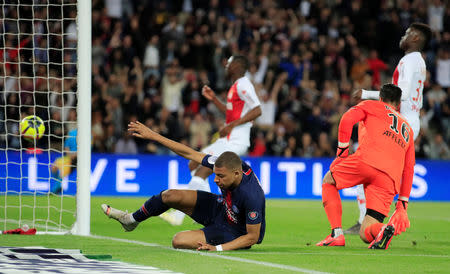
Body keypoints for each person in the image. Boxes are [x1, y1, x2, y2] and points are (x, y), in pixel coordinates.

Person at [102, 121, 266, 251]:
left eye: (220, 176)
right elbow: (190, 153)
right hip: (221, 209)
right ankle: (130, 220)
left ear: (236, 174)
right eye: (215, 174)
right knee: (170, 195)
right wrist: (154, 136)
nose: (215, 180)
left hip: (235, 232)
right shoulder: (227, 165)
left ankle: (212, 234)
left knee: (178, 240)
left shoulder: (252, 195)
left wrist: (218, 248)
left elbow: (252, 237)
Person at [347, 23, 432, 234]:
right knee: (380, 170)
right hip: (408, 122)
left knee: (365, 166)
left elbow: (400, 93)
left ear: (414, 39)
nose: (403, 36)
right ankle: (375, 220)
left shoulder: (408, 60)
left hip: (399, 121)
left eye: (407, 33)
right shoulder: (420, 62)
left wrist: (366, 94)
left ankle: (369, 222)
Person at [160, 55, 262, 225]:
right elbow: (231, 114)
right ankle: (208, 209)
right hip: (227, 139)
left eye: (229, 63)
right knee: (193, 164)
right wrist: (214, 99)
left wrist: (231, 126)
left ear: (237, 65)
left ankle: (178, 216)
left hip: (235, 141)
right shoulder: (236, 86)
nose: (226, 66)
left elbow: (257, 110)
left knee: (202, 171)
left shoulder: (244, 83)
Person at [317, 84, 415, 249]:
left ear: (381, 98)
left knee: (329, 181)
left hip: (367, 161)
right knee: (366, 233)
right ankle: (383, 229)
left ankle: (336, 234)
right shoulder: (408, 130)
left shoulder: (371, 105)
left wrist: (342, 154)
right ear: (398, 105)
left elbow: (347, 119)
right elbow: (409, 168)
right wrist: (402, 204)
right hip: (389, 178)